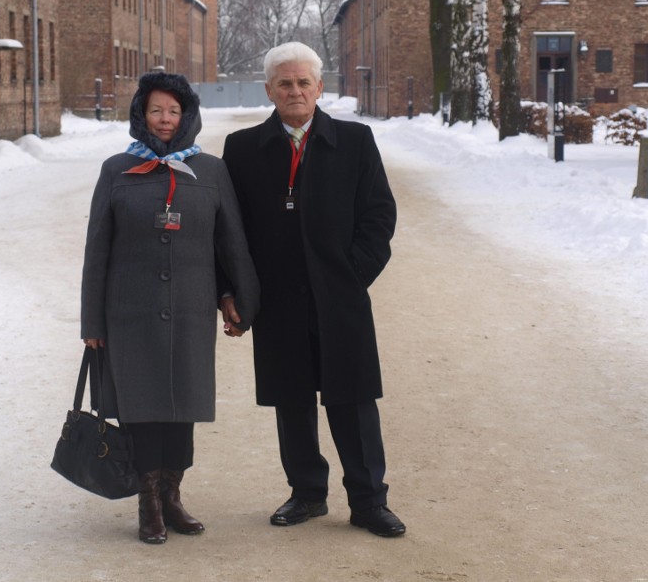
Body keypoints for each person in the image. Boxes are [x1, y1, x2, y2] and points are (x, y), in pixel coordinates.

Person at [220, 42, 405, 537]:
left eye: (304, 82)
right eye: (285, 83)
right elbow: (228, 230)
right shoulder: (242, 150)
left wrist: (350, 274)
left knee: (353, 399)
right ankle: (306, 493)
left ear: (320, 87)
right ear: (269, 90)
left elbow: (379, 216)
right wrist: (233, 291)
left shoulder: (356, 141)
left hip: (340, 297)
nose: (295, 91)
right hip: (278, 300)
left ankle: (369, 501)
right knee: (292, 400)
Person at [81, 72, 260, 544]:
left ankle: (173, 495)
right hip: (129, 314)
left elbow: (231, 244)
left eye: (173, 111)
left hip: (189, 311)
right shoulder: (116, 169)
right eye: (156, 110)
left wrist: (240, 299)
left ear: (187, 117)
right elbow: (96, 251)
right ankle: (148, 502)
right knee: (140, 409)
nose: (164, 120)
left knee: (182, 408)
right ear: (142, 114)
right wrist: (92, 323)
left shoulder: (211, 170)